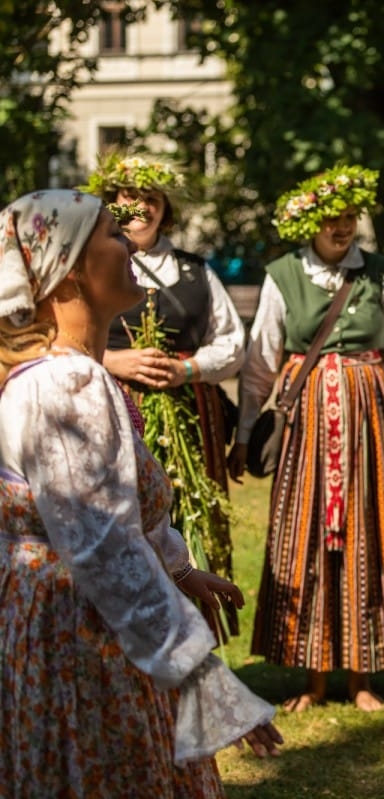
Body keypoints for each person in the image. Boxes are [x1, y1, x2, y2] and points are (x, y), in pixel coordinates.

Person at [0, 189, 282, 796]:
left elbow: (115, 513)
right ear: (69, 267)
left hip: (83, 626)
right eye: (108, 233)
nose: (127, 241)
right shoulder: (65, 385)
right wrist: (202, 677)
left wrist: (181, 572)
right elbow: (102, 546)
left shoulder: (71, 373)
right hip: (84, 639)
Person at [229, 165, 384, 712]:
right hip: (305, 423)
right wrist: (244, 434)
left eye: (350, 217)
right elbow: (260, 363)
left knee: (367, 535)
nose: (342, 227)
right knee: (305, 536)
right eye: (331, 218)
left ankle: (361, 676)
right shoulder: (283, 274)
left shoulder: (380, 273)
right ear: (309, 223)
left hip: (366, 420)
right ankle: (311, 676)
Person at [82, 152, 246, 631]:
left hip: (189, 416)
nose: (142, 207)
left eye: (152, 198)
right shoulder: (95, 267)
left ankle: (197, 641)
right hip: (111, 411)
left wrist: (188, 369)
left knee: (187, 515)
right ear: (112, 204)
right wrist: (113, 361)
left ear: (165, 208)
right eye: (130, 198)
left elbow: (234, 344)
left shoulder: (196, 271)